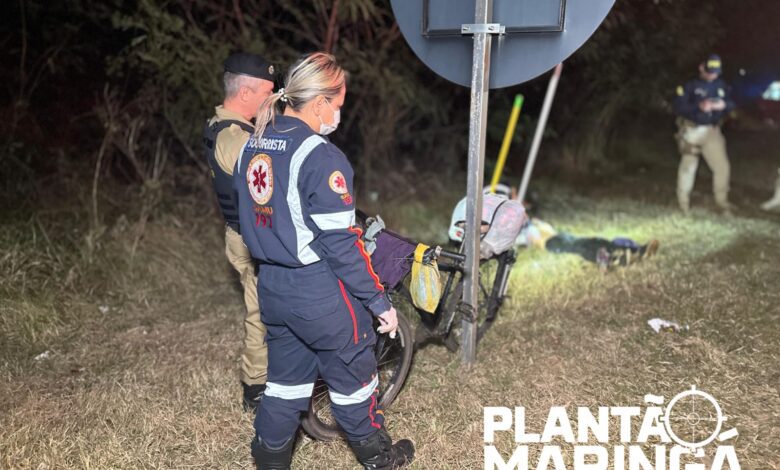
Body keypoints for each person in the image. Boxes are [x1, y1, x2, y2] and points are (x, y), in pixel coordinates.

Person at [233, 53, 414, 469]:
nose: (338, 115)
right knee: (355, 380)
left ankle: (268, 461)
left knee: (284, 385)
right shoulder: (321, 156)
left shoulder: (253, 143)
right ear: (319, 103)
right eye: (338, 106)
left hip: (273, 288)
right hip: (319, 290)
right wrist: (378, 302)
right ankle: (379, 458)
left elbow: (239, 214)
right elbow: (341, 246)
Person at [203, 52, 275, 411]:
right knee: (261, 311)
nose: (272, 103)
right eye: (269, 94)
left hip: (246, 234)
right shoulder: (233, 138)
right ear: (247, 93)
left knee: (266, 307)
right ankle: (257, 387)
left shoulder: (227, 125)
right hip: (250, 239)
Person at [673, 54, 736, 215]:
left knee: (722, 167)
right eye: (709, 71)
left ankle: (722, 203)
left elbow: (732, 103)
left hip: (712, 131)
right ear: (702, 67)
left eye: (715, 72)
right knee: (688, 167)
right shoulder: (690, 85)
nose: (712, 75)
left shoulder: (722, 85)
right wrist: (699, 106)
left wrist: (724, 105)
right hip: (692, 131)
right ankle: (683, 204)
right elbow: (679, 107)